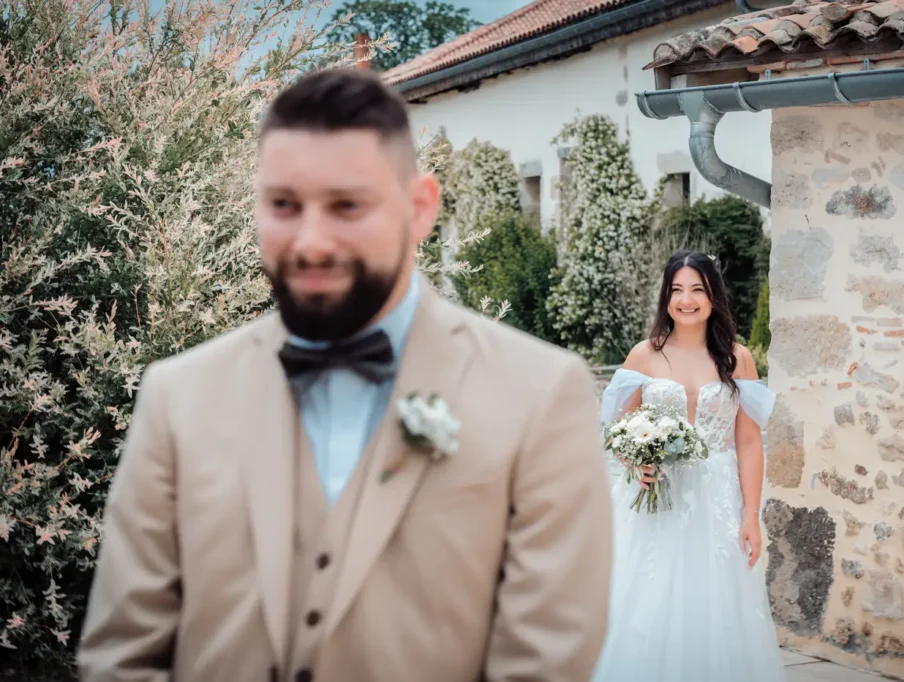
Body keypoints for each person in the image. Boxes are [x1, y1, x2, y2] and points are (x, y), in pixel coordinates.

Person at [77, 67, 613, 682]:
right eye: (284, 205)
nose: (311, 242)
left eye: (347, 206)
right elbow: (121, 657)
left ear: (420, 209)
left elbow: (543, 665)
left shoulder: (541, 395)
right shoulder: (177, 395)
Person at [592, 250, 785, 682]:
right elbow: (620, 430)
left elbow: (749, 442)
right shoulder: (644, 355)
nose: (686, 300)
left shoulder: (737, 358)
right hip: (657, 498)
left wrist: (751, 515)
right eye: (677, 290)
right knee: (648, 599)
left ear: (713, 296)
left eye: (697, 290)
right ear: (666, 297)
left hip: (717, 500)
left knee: (714, 601)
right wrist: (634, 464)